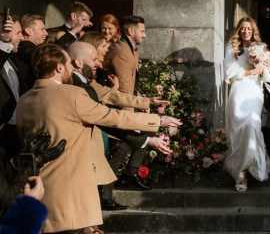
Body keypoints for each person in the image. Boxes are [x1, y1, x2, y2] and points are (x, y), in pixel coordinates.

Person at [16, 43, 178, 233]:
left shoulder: (24, 99)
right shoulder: (73, 94)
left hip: (37, 191)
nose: (70, 68)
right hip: (71, 195)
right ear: (59, 67)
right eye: (68, 64)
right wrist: (157, 120)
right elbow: (112, 117)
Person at [68, 41, 177, 210]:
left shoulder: (86, 81)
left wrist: (145, 102)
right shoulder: (75, 86)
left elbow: (112, 95)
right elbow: (109, 117)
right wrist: (158, 122)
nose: (98, 63)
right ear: (78, 62)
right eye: (94, 59)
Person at [223, 17, 270, 192]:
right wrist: (249, 71)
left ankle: (248, 167)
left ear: (253, 30)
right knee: (239, 129)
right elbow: (228, 70)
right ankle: (240, 173)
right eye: (243, 28)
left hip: (254, 91)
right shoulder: (232, 48)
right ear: (239, 30)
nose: (246, 31)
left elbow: (268, 66)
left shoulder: (260, 47)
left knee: (252, 124)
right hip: (239, 90)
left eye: (249, 28)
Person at [102, 15, 152, 192]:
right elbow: (123, 88)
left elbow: (131, 83)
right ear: (131, 31)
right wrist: (131, 118)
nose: (145, 35)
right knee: (122, 147)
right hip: (115, 107)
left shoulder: (130, 48)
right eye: (142, 31)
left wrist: (141, 103)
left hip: (126, 103)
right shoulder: (122, 50)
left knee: (146, 130)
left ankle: (129, 174)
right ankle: (105, 193)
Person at [0, 15, 25, 159]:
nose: (21, 38)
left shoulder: (13, 60)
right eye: (17, 33)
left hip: (15, 130)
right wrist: (4, 41)